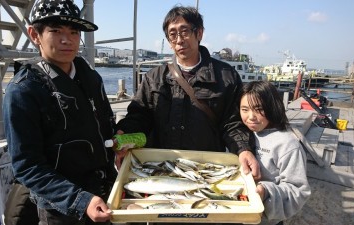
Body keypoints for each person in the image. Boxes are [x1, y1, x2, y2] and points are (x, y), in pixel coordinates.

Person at [2, 0, 116, 224]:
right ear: (35, 35)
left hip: (106, 193)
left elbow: (106, 128)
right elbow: (27, 166)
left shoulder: (91, 77)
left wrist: (117, 140)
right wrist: (81, 200)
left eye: (74, 32)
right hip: (62, 210)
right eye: (55, 31)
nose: (67, 40)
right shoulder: (23, 90)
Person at [115, 5, 260, 179]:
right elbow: (139, 117)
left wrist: (243, 149)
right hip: (161, 167)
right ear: (168, 41)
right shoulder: (154, 78)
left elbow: (233, 123)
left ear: (199, 33)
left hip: (207, 168)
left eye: (184, 31)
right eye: (172, 34)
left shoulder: (226, 76)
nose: (179, 40)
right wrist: (124, 134)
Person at [239, 81, 311, 225]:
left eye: (259, 109)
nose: (251, 116)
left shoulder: (288, 145)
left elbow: (299, 191)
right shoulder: (241, 135)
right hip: (237, 211)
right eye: (245, 109)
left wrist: (265, 191)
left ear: (272, 107)